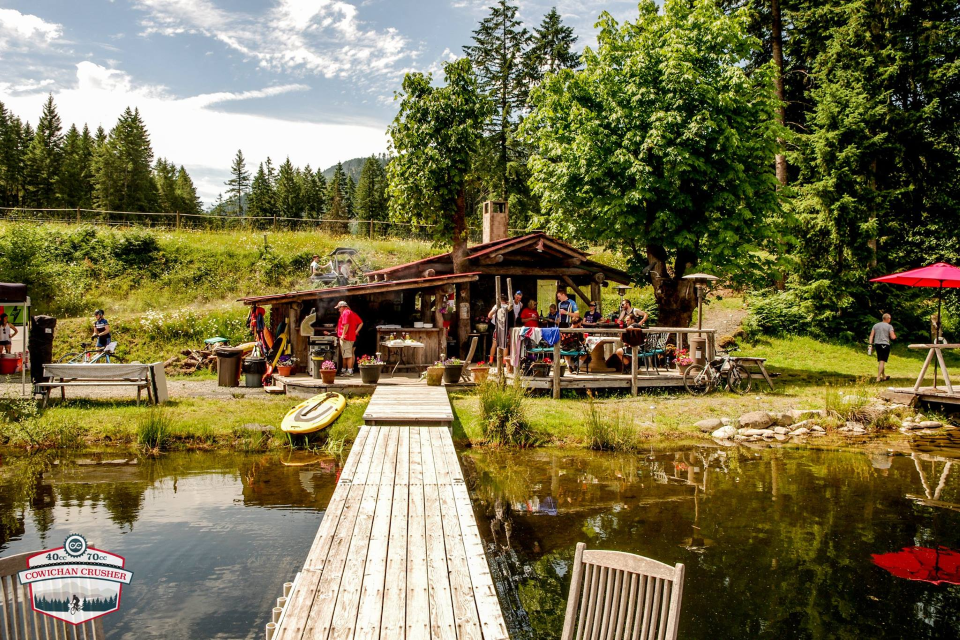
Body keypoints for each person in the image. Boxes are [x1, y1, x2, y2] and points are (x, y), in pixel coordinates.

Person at [335, 301, 363, 375]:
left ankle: (349, 371)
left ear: (343, 307)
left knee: (348, 355)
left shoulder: (346, 313)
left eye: (339, 308)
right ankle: (345, 370)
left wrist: (343, 335)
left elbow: (346, 324)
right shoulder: (351, 312)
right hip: (350, 337)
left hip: (347, 338)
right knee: (346, 354)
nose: (338, 310)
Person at [868, 313, 896, 382]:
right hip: (885, 344)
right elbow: (893, 337)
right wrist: (895, 337)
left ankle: (883, 376)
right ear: (888, 319)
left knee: (881, 360)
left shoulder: (875, 325)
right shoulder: (889, 326)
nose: (890, 319)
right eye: (890, 318)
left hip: (877, 344)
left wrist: (870, 344)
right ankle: (878, 377)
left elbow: (871, 335)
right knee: (882, 361)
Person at [487, 294, 510, 363]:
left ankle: (490, 361)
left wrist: (494, 317)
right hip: (506, 328)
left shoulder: (496, 306)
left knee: (494, 344)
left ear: (499, 300)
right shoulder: (509, 307)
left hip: (498, 327)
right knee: (505, 345)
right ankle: (504, 362)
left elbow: (489, 315)